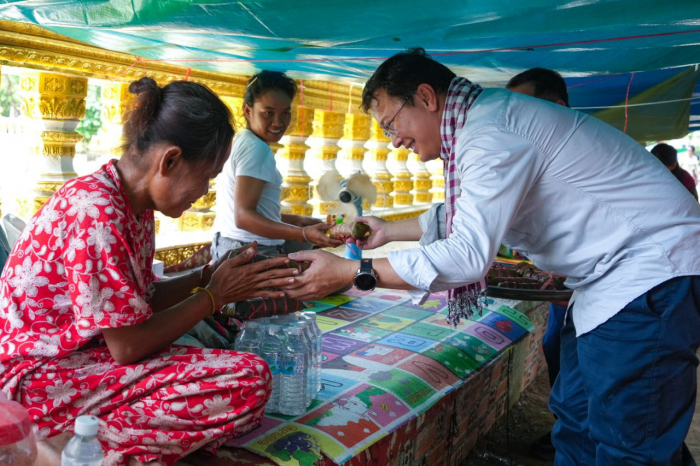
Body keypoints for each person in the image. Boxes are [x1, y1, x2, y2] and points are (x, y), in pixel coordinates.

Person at [284, 48, 700, 465]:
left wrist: (353, 271)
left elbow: (467, 255)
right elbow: (469, 212)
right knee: (577, 416)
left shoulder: (490, 134)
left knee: (631, 444)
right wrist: (388, 230)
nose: (394, 140)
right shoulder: (484, 122)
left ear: (426, 97)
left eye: (392, 124)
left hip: (649, 274)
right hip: (612, 280)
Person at [0, 77, 299, 466]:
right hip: (37, 380)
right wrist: (214, 296)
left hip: (84, 360)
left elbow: (138, 303)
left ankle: (90, 439)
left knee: (225, 363)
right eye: (207, 177)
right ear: (170, 161)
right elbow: (127, 347)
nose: (205, 193)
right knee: (247, 378)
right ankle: (67, 447)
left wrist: (206, 276)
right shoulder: (97, 212)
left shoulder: (133, 205)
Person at [211, 70, 341, 261]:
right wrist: (303, 233)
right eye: (268, 113)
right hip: (251, 250)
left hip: (230, 245)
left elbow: (251, 211)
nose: (278, 122)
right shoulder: (257, 149)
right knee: (334, 271)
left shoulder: (242, 140)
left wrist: (297, 221)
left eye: (285, 113)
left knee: (305, 250)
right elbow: (243, 217)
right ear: (248, 111)